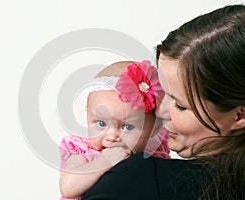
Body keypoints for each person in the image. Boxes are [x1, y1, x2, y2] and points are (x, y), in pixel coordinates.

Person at [82, 4, 245, 200]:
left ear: (240, 116)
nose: (159, 111)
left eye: (180, 106)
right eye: (162, 93)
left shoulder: (134, 181)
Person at [59, 60, 170, 199]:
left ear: (155, 128)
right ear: (88, 115)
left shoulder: (153, 153)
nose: (111, 136)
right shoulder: (84, 154)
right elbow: (68, 187)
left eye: (127, 127)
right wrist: (106, 161)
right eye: (101, 123)